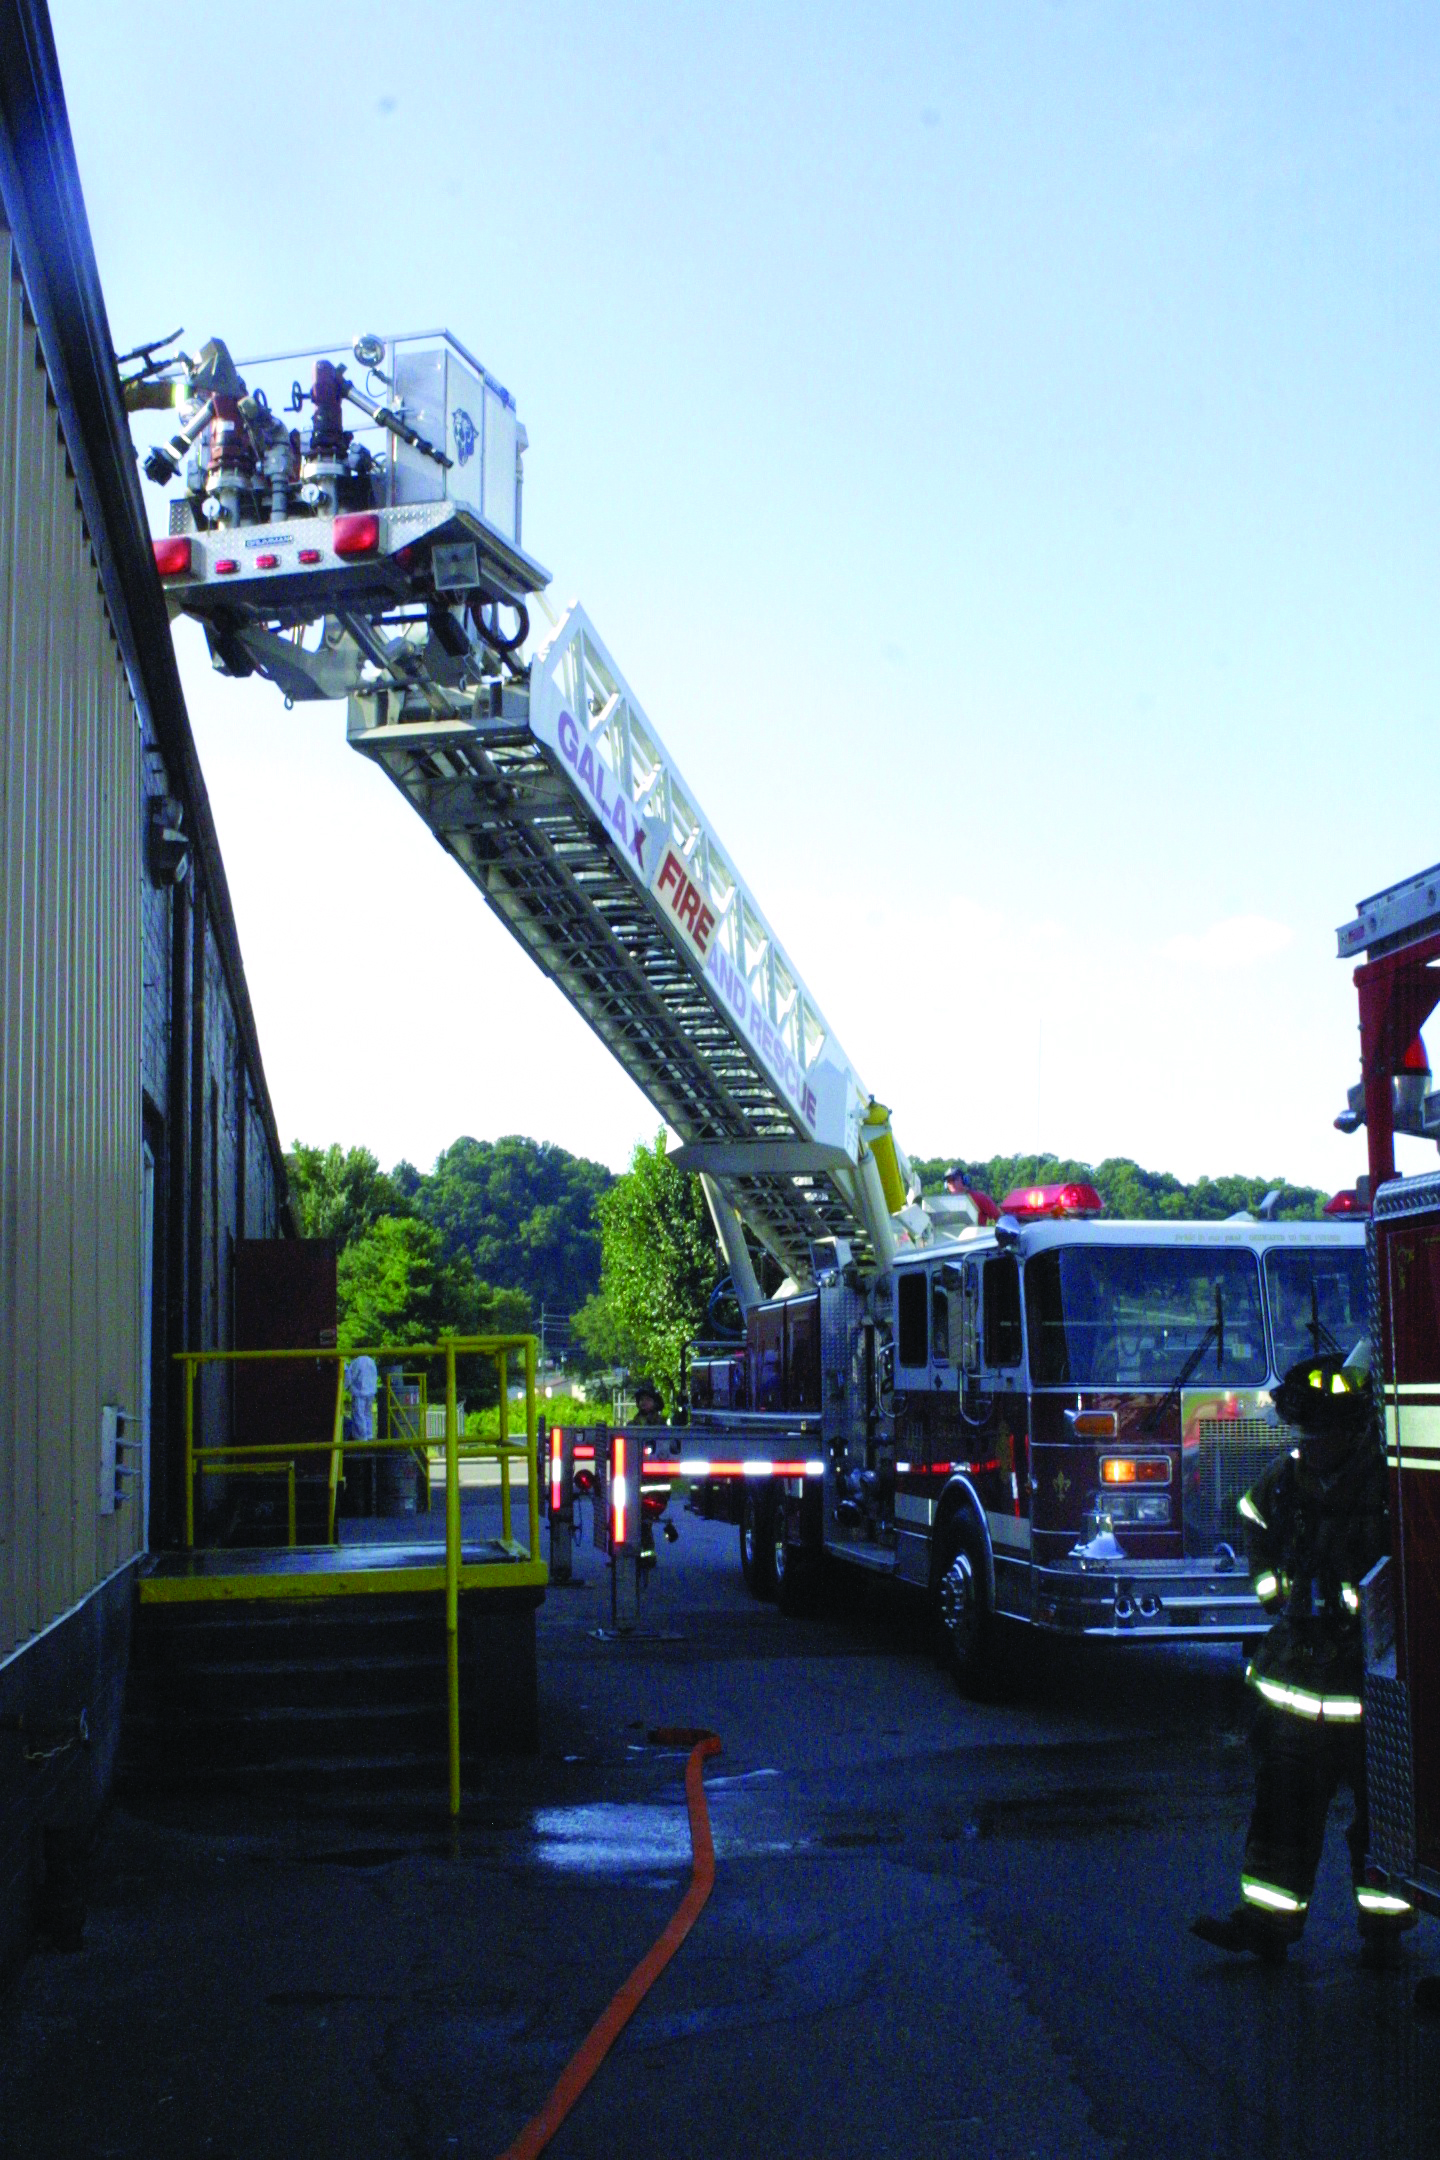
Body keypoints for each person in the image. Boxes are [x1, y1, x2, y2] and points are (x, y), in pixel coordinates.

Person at [1192, 1348, 1417, 1963]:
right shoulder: (1286, 1481)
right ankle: (1267, 1926)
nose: (1311, 1445)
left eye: (1323, 1434)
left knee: (1383, 1816)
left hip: (1372, 1683)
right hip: (1295, 1682)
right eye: (1305, 1434)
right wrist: (1277, 1589)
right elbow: (1253, 1518)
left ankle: (1385, 1930)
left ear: (1354, 1428)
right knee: (1283, 1807)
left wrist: (1365, 1601)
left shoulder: (1390, 1481)